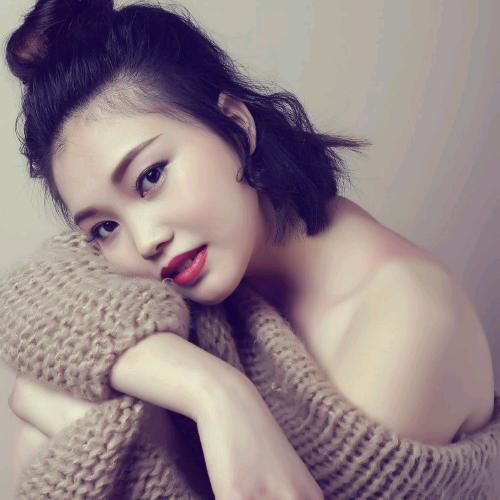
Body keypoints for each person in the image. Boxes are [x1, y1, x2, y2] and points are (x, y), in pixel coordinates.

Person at [4, 0, 495, 498]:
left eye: (151, 177)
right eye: (105, 227)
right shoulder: (196, 261)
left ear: (236, 125)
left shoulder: (406, 324)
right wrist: (214, 392)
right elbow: (31, 300)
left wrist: (120, 422)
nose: (147, 240)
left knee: (76, 411)